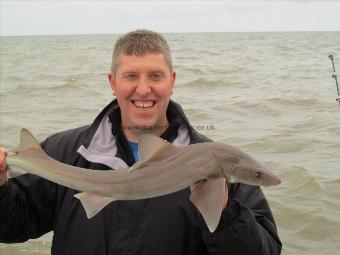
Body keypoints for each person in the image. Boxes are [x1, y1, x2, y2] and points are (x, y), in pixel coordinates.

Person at [0, 29, 282, 254]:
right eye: (131, 76)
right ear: (113, 82)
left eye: (156, 76)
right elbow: (12, 225)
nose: (144, 88)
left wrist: (224, 213)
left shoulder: (219, 170)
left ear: (172, 81)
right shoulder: (64, 151)